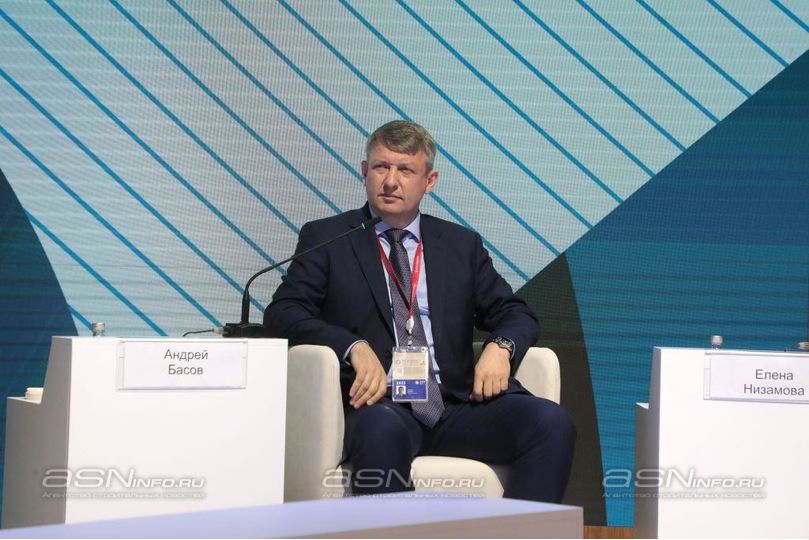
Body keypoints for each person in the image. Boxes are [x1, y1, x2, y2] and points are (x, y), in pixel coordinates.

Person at [264, 120, 575, 502]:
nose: (390, 181)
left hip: (458, 403)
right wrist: (352, 347)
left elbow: (515, 313)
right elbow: (284, 312)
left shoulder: (460, 245)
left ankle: (521, 529)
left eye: (405, 170)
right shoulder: (329, 238)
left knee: (550, 422)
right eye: (381, 167)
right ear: (364, 172)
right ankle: (399, 528)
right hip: (381, 404)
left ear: (430, 181)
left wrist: (501, 348)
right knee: (381, 430)